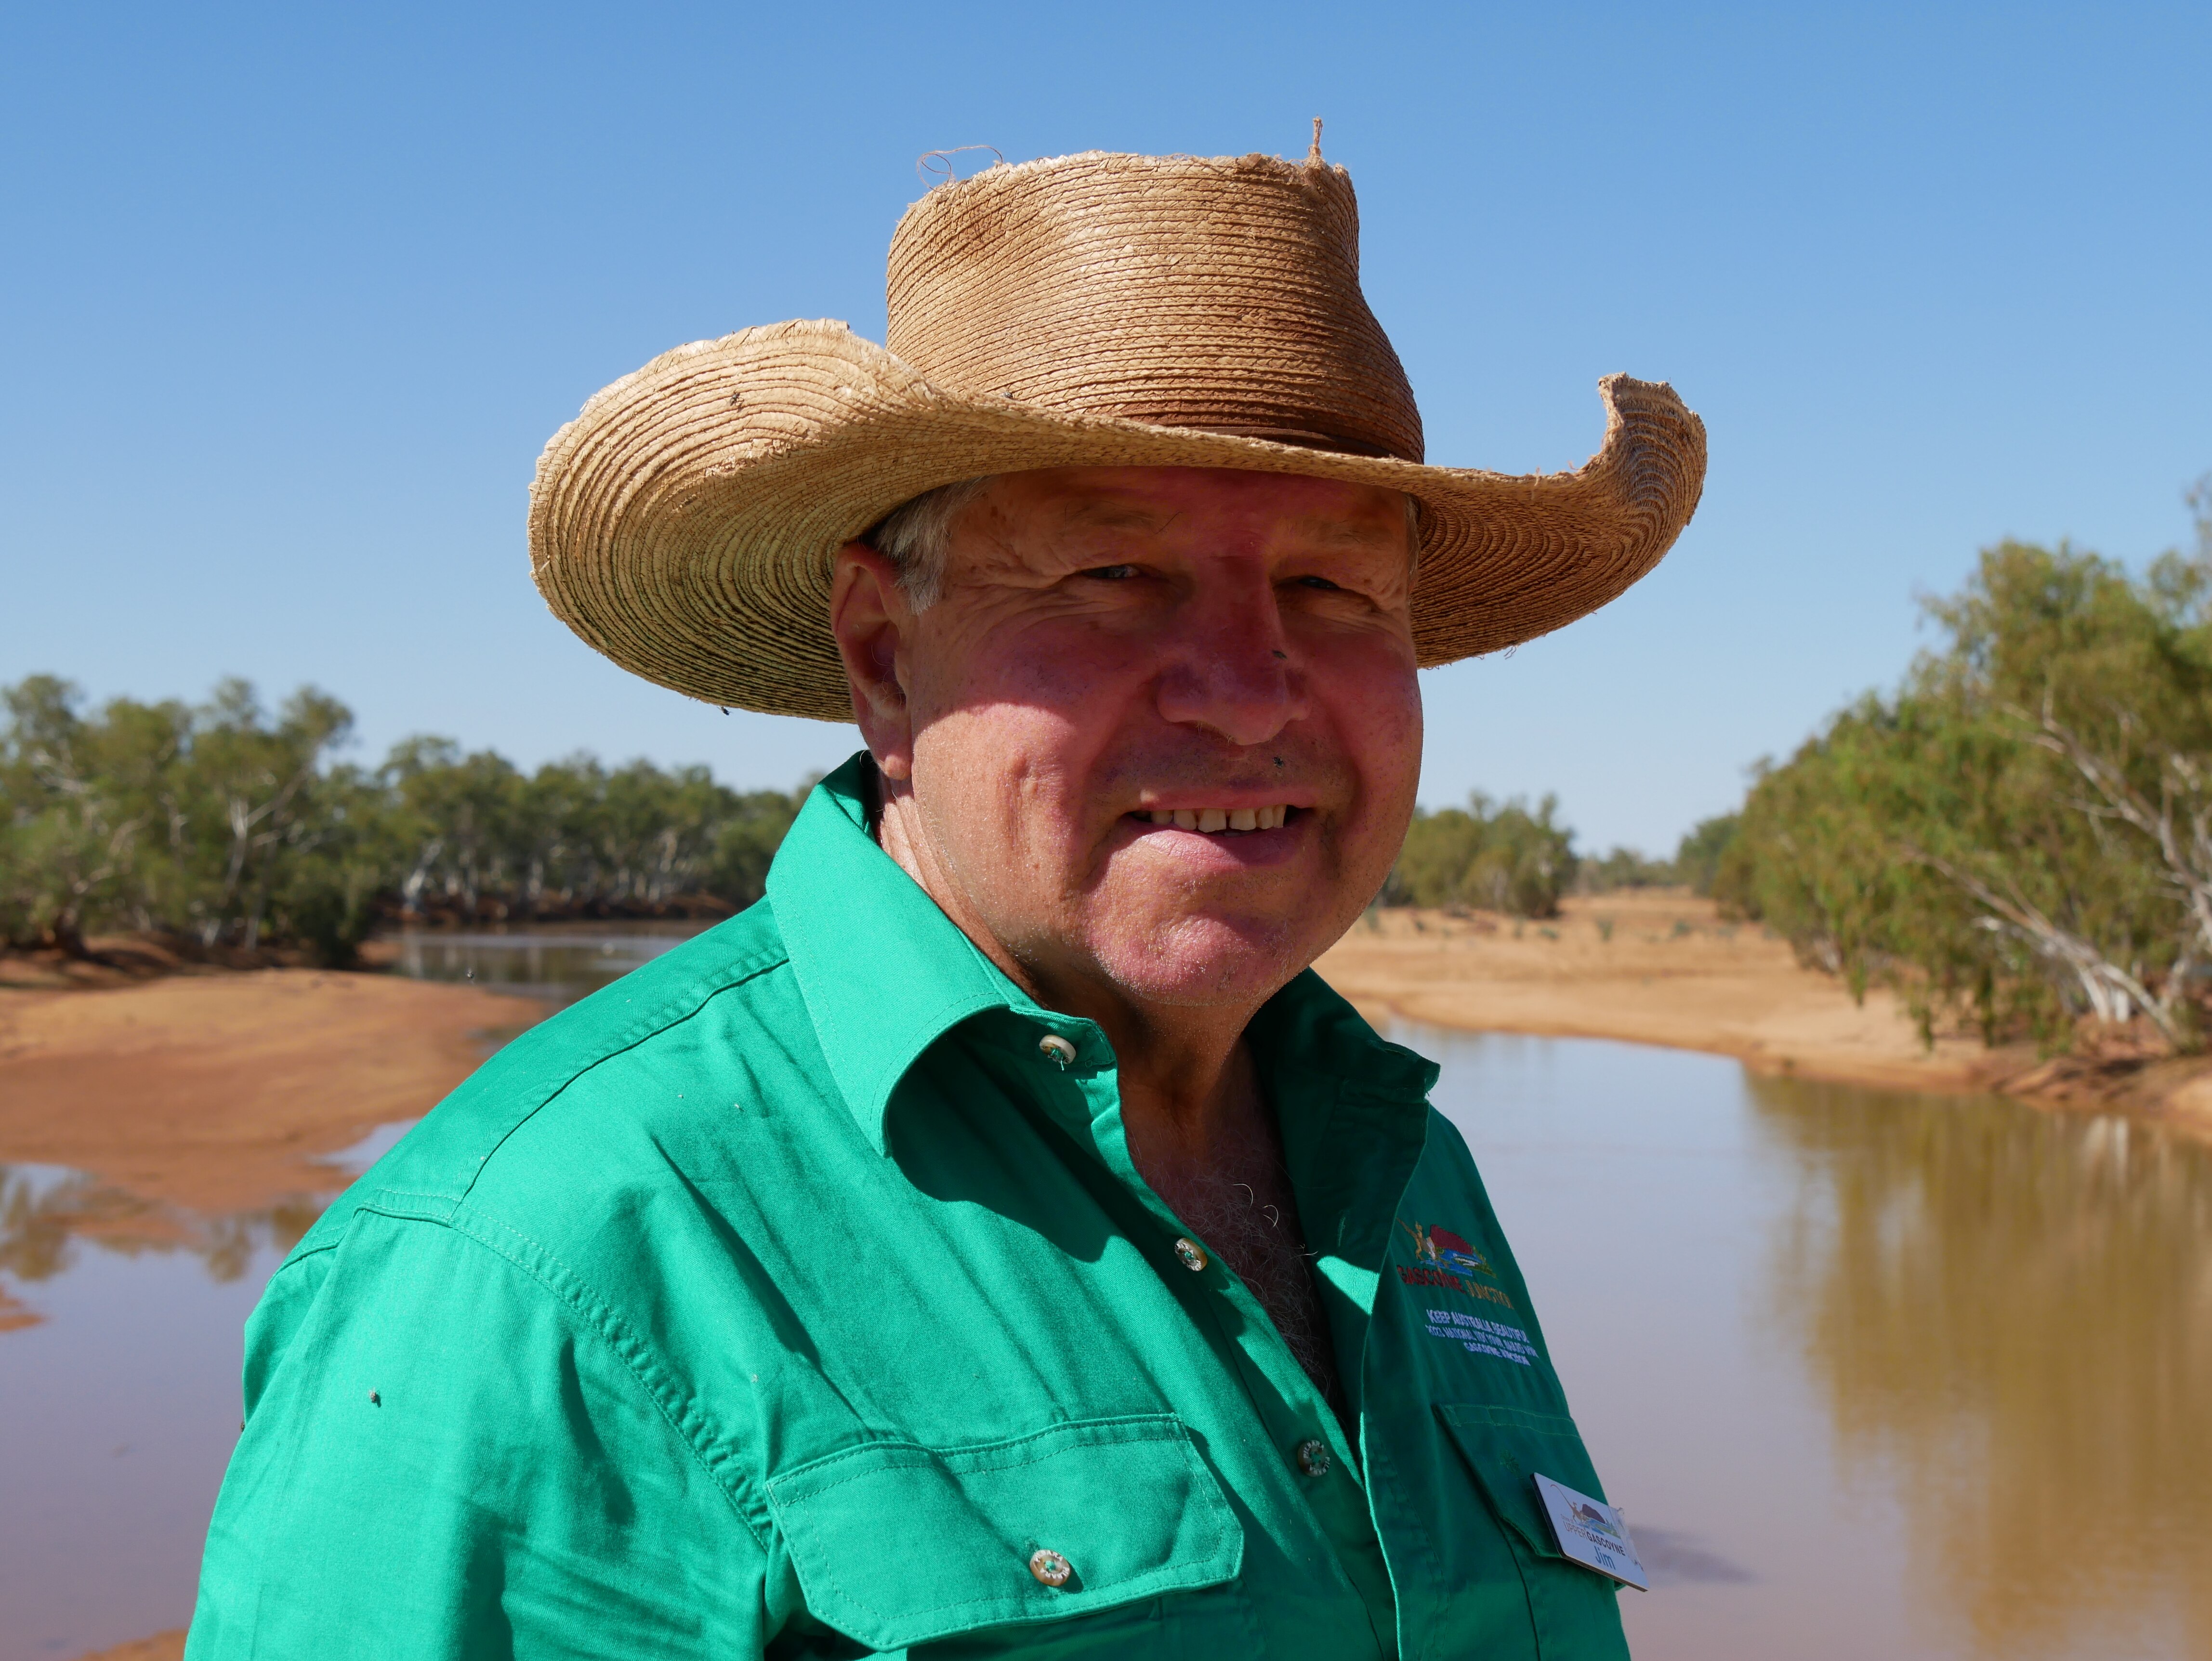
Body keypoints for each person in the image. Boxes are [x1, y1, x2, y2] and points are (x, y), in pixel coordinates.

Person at [187, 134, 1703, 1659]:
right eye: (1115, 573)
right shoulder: (542, 1259)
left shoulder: (1399, 1159)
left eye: (1334, 588)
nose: (1250, 693)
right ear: (881, 652)